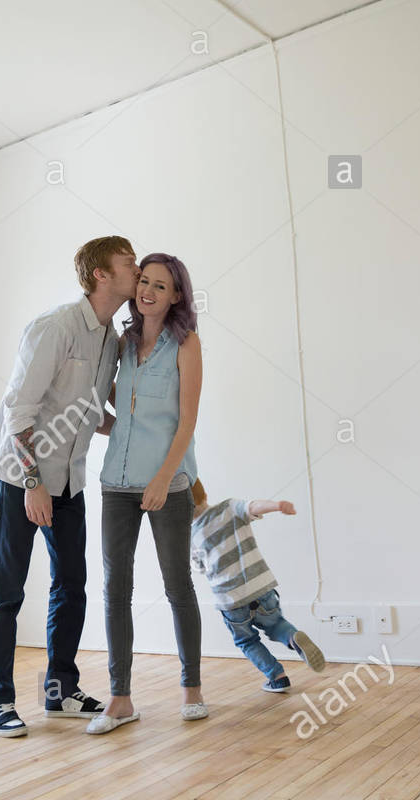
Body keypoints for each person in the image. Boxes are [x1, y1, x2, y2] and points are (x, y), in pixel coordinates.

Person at [0, 236, 140, 736]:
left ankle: (60, 692)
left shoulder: (112, 339)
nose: (137, 269)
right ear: (101, 275)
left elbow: (91, 411)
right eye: (129, 263)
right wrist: (32, 484)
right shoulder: (54, 328)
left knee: (71, 586)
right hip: (20, 478)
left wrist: (138, 425)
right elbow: (18, 410)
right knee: (6, 591)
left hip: (70, 478)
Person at [86, 253, 203, 735]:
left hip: (167, 483)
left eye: (161, 285)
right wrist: (99, 423)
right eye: (144, 282)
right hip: (116, 482)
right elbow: (119, 408)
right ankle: (120, 700)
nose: (148, 291)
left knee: (178, 586)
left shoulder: (187, 343)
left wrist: (161, 480)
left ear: (176, 294)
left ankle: (192, 688)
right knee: (116, 589)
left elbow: (187, 421)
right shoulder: (123, 342)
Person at [189, 478, 326, 691]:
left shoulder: (191, 536)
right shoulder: (229, 507)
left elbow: (199, 568)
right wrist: (278, 505)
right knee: (276, 624)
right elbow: (253, 506)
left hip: (230, 599)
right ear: (203, 493)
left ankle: (277, 677)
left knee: (247, 642)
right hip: (261, 586)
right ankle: (291, 637)